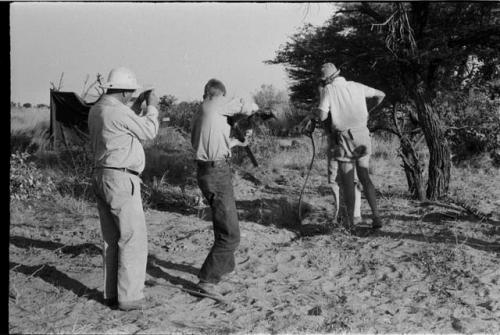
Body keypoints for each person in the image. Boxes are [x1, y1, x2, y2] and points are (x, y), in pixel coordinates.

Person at [88, 67, 159, 311]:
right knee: (132, 238)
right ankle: (129, 297)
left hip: (101, 176)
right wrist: (151, 107)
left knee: (111, 238)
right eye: (130, 92)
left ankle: (111, 294)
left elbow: (120, 122)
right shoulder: (117, 111)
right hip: (121, 179)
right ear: (125, 90)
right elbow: (149, 131)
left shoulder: (97, 109)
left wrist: (134, 106)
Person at [191, 78, 257, 296]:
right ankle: (206, 281)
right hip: (217, 172)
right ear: (219, 94)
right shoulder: (218, 103)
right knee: (231, 234)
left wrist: (237, 143)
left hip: (207, 170)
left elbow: (210, 143)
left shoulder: (202, 112)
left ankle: (225, 268)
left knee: (222, 223)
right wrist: (256, 110)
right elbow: (248, 106)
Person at [305, 63, 385, 229]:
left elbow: (323, 114)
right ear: (339, 74)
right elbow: (381, 95)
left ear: (325, 80)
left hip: (345, 137)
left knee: (348, 183)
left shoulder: (329, 90)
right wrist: (368, 110)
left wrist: (317, 112)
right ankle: (377, 218)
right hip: (363, 133)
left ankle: (350, 224)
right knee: (364, 177)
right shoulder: (356, 86)